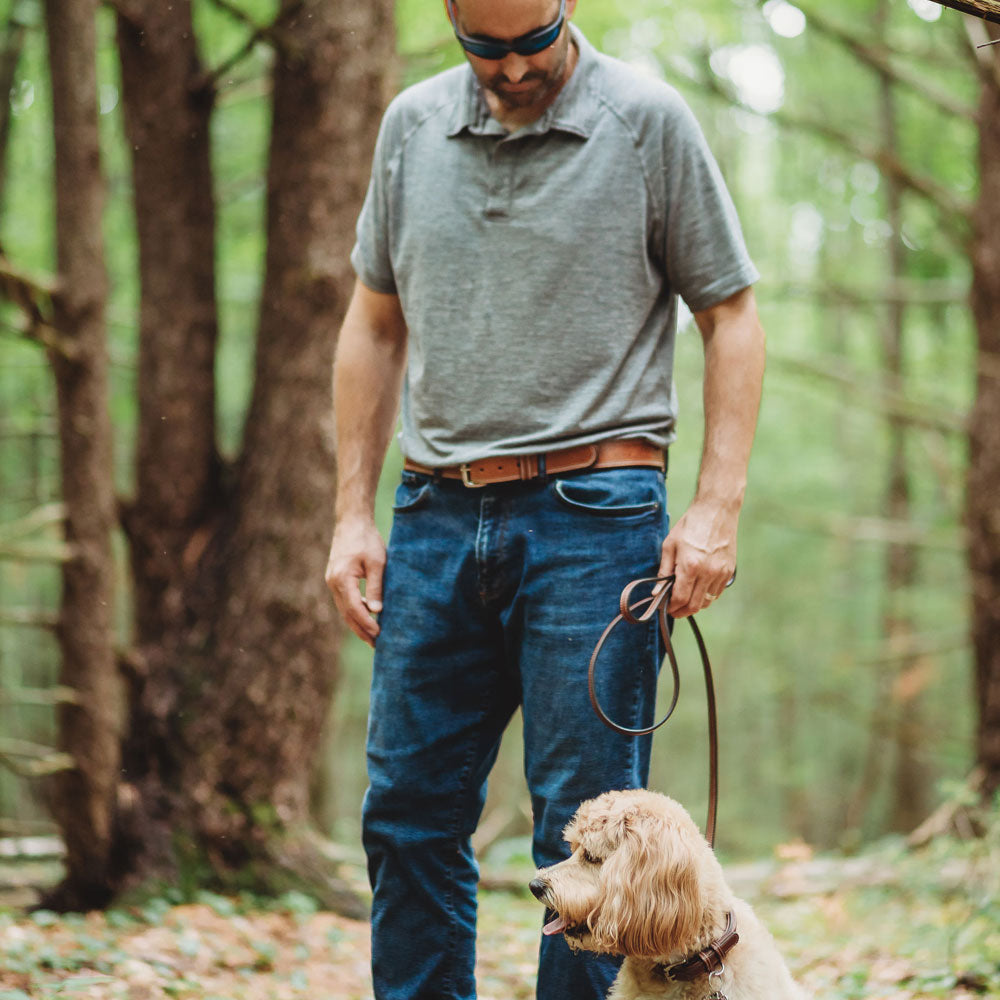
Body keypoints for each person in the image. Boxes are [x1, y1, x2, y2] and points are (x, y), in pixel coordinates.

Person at [325, 0, 765, 997]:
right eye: (485, 48)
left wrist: (714, 507)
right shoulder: (410, 126)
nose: (514, 69)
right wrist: (352, 513)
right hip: (432, 516)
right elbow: (372, 325)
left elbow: (730, 315)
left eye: (533, 42)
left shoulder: (647, 121)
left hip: (596, 520)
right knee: (406, 811)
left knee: (587, 822)